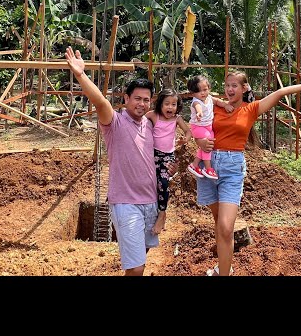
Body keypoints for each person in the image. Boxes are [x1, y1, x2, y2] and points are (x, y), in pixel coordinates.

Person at [194, 71, 301, 276]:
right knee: (219, 224)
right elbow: (197, 125)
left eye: (234, 85)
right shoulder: (214, 105)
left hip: (232, 168)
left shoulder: (251, 109)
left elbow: (281, 92)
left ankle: (223, 273)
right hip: (208, 164)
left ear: (244, 88)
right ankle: (224, 267)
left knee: (226, 227)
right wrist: (198, 141)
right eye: (227, 85)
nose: (230, 89)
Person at [65, 46, 169, 276]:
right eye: (137, 99)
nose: (141, 104)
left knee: (141, 258)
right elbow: (100, 101)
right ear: (126, 98)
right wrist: (81, 75)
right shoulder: (114, 123)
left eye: (146, 100)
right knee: (136, 267)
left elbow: (159, 160)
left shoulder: (150, 125)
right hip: (126, 203)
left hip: (150, 202)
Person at [145, 88, 193, 235]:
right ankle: (149, 212)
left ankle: (162, 213)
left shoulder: (177, 119)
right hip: (153, 154)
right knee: (150, 182)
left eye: (174, 104)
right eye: (167, 104)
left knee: (164, 183)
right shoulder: (153, 116)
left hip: (168, 156)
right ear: (160, 104)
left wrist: (185, 139)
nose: (170, 107)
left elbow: (188, 131)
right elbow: (138, 119)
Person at [186, 75, 234, 180]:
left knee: (204, 146)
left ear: (209, 88)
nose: (202, 93)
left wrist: (225, 105)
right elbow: (198, 107)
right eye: (198, 91)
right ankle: (208, 168)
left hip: (208, 127)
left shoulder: (209, 98)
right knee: (209, 144)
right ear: (193, 93)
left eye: (205, 90)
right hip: (198, 127)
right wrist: (199, 113)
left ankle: (194, 164)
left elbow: (217, 101)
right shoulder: (196, 101)